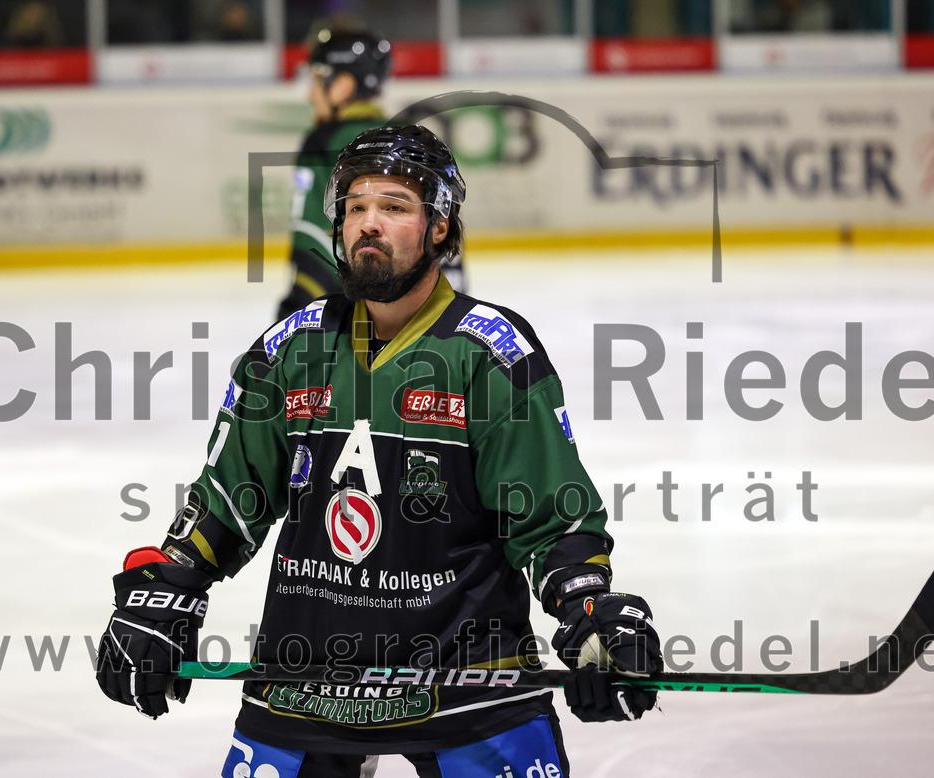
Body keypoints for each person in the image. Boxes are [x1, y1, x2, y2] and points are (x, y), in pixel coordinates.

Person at [96, 125, 662, 777]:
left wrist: (589, 607)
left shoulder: (489, 353)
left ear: (440, 228)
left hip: (468, 684)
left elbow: (550, 517)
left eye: (394, 207)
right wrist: (168, 588)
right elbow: (230, 495)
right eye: (356, 207)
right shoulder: (291, 349)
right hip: (305, 680)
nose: (369, 224)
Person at [277, 27, 465, 322]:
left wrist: (293, 317)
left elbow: (312, 243)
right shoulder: (411, 141)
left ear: (342, 85)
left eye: (317, 80)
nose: (311, 94)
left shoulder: (324, 142)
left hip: (351, 327)